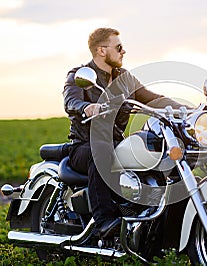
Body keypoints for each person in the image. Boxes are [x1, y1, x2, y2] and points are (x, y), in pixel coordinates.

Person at [63, 28, 183, 238]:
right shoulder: (79, 76)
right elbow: (71, 101)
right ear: (101, 50)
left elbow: (152, 98)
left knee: (152, 150)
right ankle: (103, 221)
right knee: (100, 149)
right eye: (118, 47)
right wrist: (86, 107)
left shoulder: (125, 79)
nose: (123, 51)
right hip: (84, 145)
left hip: (115, 144)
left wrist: (184, 109)